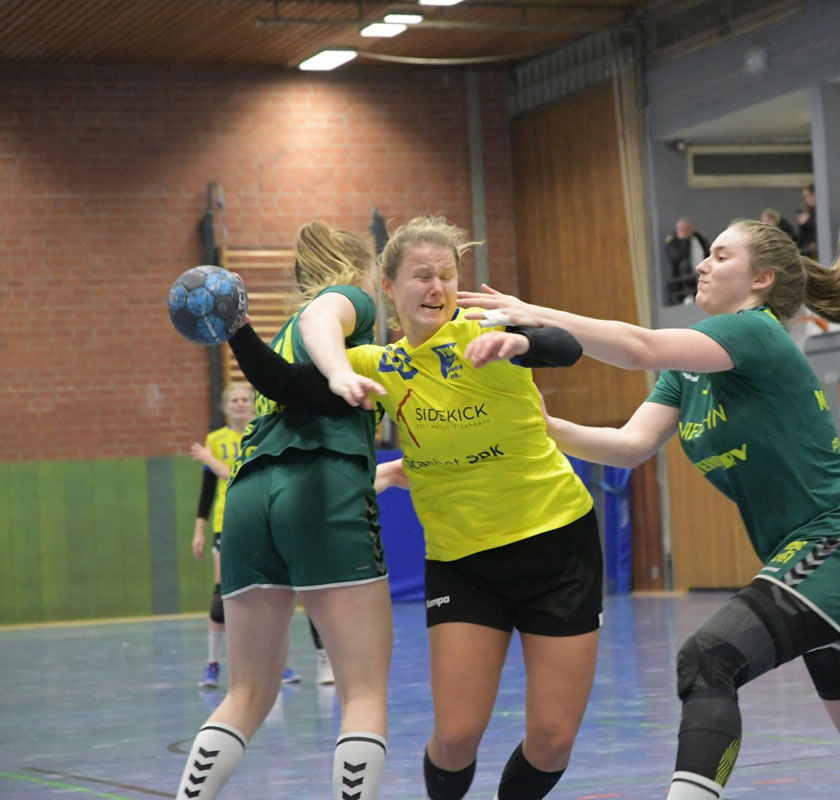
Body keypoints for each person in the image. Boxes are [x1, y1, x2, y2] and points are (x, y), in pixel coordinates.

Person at [459, 197, 840, 800]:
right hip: (821, 558)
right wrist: (543, 427)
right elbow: (629, 446)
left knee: (708, 659)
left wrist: (531, 313)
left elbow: (638, 347)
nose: (703, 264)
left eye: (721, 256)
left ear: (761, 280)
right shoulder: (689, 372)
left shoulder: (755, 332)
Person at [226, 215, 599, 800]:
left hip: (557, 545)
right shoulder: (381, 364)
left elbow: (565, 347)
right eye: (422, 276)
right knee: (454, 737)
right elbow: (288, 384)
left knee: (552, 739)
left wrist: (522, 341)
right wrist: (237, 330)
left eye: (447, 276)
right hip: (462, 562)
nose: (437, 288)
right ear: (389, 287)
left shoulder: (483, 332)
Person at [173, 220, 393, 800]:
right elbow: (323, 329)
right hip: (320, 488)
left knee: (246, 692)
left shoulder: (286, 336)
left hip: (251, 497)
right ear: (358, 268)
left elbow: (293, 392)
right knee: (363, 691)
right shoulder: (348, 302)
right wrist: (341, 373)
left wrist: (239, 329)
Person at [189, 383, 333, 688]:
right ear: (225, 407)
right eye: (234, 400)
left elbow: (239, 472)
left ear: (254, 404)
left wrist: (209, 460)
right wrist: (199, 529)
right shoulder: (215, 440)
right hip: (228, 523)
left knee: (285, 591)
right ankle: (213, 665)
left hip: (269, 518)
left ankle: (295, 663)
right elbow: (207, 490)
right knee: (224, 598)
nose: (240, 404)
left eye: (245, 399)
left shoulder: (265, 431)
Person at [665, 217, 709, 305]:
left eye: (687, 228)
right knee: (684, 265)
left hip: (702, 268)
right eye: (683, 229)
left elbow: (706, 251)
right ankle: (689, 294)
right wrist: (685, 240)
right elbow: (677, 258)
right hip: (685, 276)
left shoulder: (699, 237)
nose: (686, 231)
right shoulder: (673, 241)